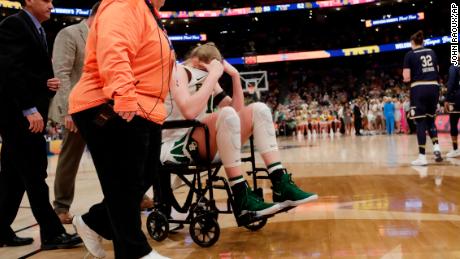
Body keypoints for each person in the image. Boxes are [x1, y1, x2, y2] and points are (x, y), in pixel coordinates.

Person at [161, 43, 317, 219]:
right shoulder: (179, 71)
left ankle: (280, 182)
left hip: (204, 140)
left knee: (259, 109)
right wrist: (212, 76)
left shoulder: (208, 77)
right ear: (197, 62)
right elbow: (189, 112)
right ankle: (240, 195)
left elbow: (237, 111)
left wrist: (235, 75)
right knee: (225, 114)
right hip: (176, 145)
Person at [68, 0, 173, 258]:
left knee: (145, 175)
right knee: (123, 181)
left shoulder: (150, 12)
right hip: (111, 101)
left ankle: (94, 222)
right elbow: (113, 47)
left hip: (144, 106)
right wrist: (123, 94)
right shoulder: (127, 2)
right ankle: (134, 251)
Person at [0, 0, 82, 249]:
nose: (51, 4)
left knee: (12, 178)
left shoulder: (35, 28)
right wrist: (29, 108)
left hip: (25, 113)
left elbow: (24, 71)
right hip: (19, 115)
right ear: (28, 1)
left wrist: (44, 84)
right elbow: (8, 70)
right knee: (35, 174)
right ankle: (52, 232)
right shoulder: (14, 24)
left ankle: (1, 230)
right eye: (46, 0)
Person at [49, 1, 101, 224]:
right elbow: (61, 74)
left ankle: (131, 197)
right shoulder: (69, 34)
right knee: (70, 158)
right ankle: (61, 206)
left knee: (115, 155)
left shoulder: (106, 37)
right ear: (98, 14)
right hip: (77, 109)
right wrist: (70, 111)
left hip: (102, 108)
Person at [403, 30, 442, 166]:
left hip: (419, 88)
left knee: (420, 122)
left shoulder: (410, 55)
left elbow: (406, 77)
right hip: (434, 87)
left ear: (413, 42)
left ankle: (422, 157)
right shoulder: (432, 52)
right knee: (431, 119)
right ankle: (437, 148)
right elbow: (437, 70)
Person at [445, 62, 460, 158]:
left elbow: (451, 83)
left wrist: (447, 99)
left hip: (457, 98)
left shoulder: (454, 66)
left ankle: (455, 150)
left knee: (453, 123)